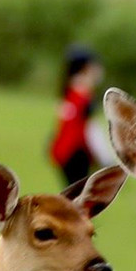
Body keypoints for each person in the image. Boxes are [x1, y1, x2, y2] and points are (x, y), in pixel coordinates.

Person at [49, 45, 110, 188]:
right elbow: (90, 129)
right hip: (76, 153)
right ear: (86, 68)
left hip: (65, 153)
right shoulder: (83, 97)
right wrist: (105, 157)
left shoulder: (70, 92)